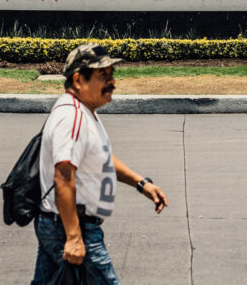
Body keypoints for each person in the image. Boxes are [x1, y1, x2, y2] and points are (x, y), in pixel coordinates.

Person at [32, 43, 169, 284]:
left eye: (112, 75)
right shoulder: (71, 117)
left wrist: (142, 184)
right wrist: (74, 237)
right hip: (74, 226)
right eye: (102, 75)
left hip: (62, 224)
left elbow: (101, 159)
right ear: (78, 80)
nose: (112, 82)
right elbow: (63, 177)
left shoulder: (84, 112)